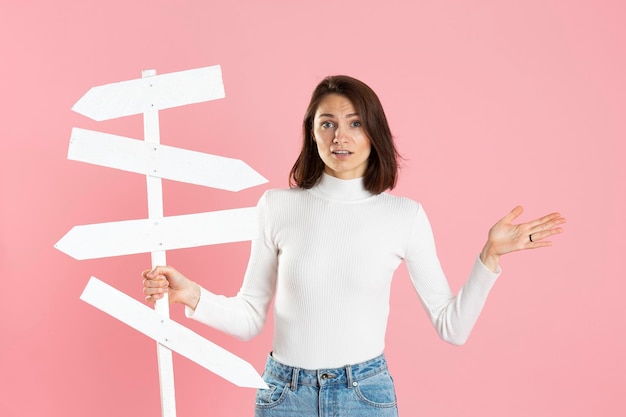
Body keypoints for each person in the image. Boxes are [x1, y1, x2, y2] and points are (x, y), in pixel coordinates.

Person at [142, 75, 565, 416]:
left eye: (354, 122)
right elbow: (251, 317)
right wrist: (190, 295)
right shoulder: (277, 207)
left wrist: (489, 257)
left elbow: (452, 327)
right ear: (312, 132)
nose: (339, 136)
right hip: (284, 396)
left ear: (373, 132)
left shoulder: (404, 216)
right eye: (327, 122)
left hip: (364, 396)